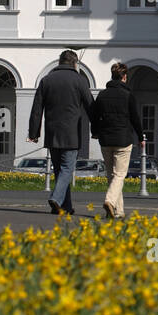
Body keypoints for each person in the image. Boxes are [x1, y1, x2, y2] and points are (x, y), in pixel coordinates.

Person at [27, 49, 95, 216]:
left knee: (59, 170)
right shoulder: (80, 81)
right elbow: (90, 107)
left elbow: (37, 109)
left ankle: (65, 207)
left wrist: (34, 132)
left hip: (52, 133)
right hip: (71, 134)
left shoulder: (46, 80)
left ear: (60, 62)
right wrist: (97, 130)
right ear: (74, 63)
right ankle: (56, 199)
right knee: (66, 169)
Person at [90, 62, 144, 219]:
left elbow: (94, 117)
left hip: (105, 139)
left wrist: (95, 132)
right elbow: (135, 119)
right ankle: (110, 201)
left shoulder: (102, 95)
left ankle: (118, 211)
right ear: (125, 77)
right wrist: (141, 137)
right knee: (120, 175)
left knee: (111, 176)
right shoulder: (128, 95)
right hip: (123, 139)